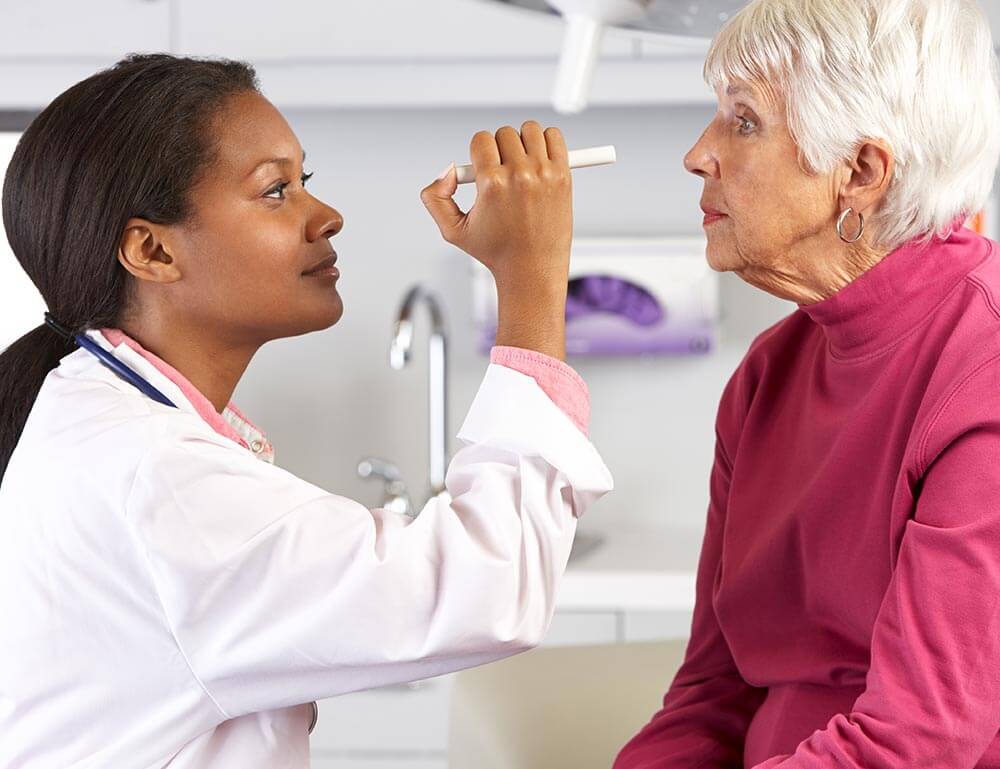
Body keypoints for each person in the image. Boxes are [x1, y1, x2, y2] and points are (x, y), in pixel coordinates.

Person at [0, 53, 612, 768]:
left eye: (305, 182)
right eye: (275, 191)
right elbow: (484, 586)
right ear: (152, 249)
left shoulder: (105, 419)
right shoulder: (155, 475)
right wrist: (534, 281)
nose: (326, 216)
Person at [614, 1, 1000, 767]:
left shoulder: (981, 377)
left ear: (859, 172)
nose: (698, 153)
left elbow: (915, 740)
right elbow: (710, 692)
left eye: (744, 121)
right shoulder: (767, 374)